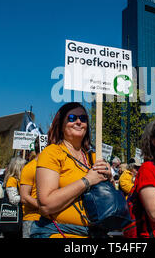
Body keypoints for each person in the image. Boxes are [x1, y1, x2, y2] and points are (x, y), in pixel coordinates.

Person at [32, 102, 111, 238]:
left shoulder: (94, 157)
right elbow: (46, 204)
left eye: (83, 118)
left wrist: (108, 179)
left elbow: (107, 201)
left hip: (95, 233)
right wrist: (87, 181)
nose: (79, 122)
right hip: (60, 232)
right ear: (61, 125)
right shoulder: (52, 153)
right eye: (72, 118)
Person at [20, 138, 41, 238]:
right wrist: (44, 206)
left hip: (48, 220)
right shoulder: (30, 167)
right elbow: (24, 197)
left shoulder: (51, 167)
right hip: (32, 220)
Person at [1, 156, 26, 238]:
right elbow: (13, 199)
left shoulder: (19, 179)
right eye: (23, 166)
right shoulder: (12, 180)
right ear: (18, 167)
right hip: (12, 217)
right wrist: (26, 197)